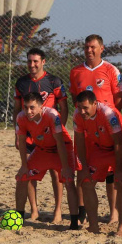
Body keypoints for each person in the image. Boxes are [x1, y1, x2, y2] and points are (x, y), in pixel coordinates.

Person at [70, 34, 122, 223]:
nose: (89, 50)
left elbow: (119, 100)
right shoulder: (76, 71)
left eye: (93, 47)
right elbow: (74, 98)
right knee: (82, 168)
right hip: (86, 128)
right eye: (86, 47)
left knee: (112, 172)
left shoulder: (111, 70)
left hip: (107, 128)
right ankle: (83, 212)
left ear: (102, 48)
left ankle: (114, 213)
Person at [13, 48, 68, 223]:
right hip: (30, 135)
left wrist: (59, 130)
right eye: (29, 61)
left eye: (36, 61)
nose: (32, 64)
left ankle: (57, 210)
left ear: (43, 62)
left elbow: (64, 108)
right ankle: (34, 210)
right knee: (28, 171)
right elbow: (17, 110)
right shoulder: (21, 83)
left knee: (55, 172)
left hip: (50, 135)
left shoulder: (54, 81)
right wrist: (16, 134)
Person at [14, 93, 82, 230]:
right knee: (22, 177)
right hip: (43, 149)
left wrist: (65, 167)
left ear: (41, 106)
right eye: (25, 107)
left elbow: (60, 142)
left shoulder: (52, 115)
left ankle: (74, 222)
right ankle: (19, 218)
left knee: (68, 180)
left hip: (61, 149)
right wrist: (24, 165)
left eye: (32, 107)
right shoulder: (21, 117)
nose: (28, 111)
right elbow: (22, 142)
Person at [73, 91, 122, 234]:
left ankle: (121, 226)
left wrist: (120, 169)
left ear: (95, 104)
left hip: (119, 149)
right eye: (79, 107)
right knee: (86, 182)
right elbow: (79, 142)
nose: (82, 111)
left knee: (121, 184)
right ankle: (94, 225)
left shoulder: (108, 114)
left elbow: (119, 143)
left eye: (85, 107)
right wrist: (84, 167)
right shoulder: (77, 115)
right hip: (100, 150)